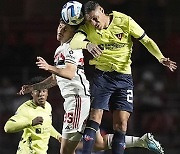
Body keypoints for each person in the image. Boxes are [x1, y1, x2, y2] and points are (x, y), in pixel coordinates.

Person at [18, 19, 164, 154]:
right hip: (79, 99)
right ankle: (142, 140)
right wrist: (34, 87)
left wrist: (48, 66)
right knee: (99, 144)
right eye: (60, 26)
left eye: (65, 28)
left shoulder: (71, 47)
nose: (60, 30)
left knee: (66, 151)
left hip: (77, 101)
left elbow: (69, 73)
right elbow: (57, 78)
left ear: (73, 32)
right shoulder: (60, 50)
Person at [69, 1, 177, 154]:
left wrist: (160, 58)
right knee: (95, 117)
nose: (94, 23)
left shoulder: (124, 21)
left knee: (121, 124)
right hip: (102, 76)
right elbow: (74, 42)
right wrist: (87, 45)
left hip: (124, 78)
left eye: (95, 18)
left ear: (101, 10)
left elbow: (145, 40)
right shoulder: (87, 28)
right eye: (90, 20)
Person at [4, 76, 61, 154]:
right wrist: (31, 122)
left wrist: (58, 136)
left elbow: (47, 125)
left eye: (44, 91)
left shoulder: (48, 106)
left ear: (47, 92)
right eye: (37, 91)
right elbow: (7, 127)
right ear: (32, 93)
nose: (41, 94)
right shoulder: (25, 109)